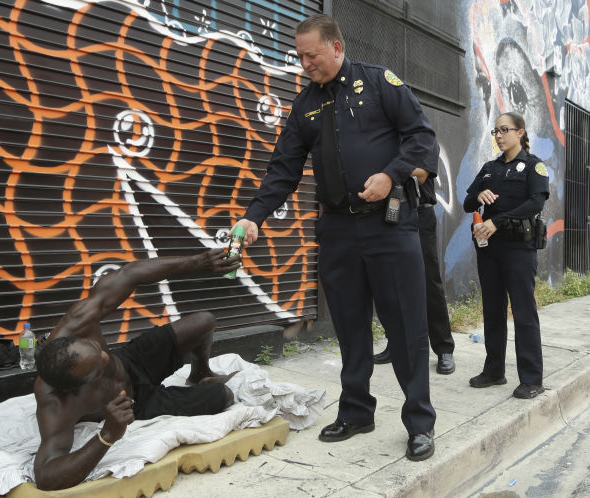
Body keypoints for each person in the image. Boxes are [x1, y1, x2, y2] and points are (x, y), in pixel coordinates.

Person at [233, 14, 436, 461]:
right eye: (300, 56)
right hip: (339, 229)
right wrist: (254, 218)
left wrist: (390, 174)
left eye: (312, 55)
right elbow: (282, 170)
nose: (305, 63)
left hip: (389, 223)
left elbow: (422, 139)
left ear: (337, 48)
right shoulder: (304, 105)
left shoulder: (379, 82)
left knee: (405, 326)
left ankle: (419, 422)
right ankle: (357, 410)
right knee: (349, 325)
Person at [32, 248, 240, 490]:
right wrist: (107, 434)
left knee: (205, 321)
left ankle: (200, 373)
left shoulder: (79, 320)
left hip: (131, 360)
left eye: (95, 347)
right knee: (222, 395)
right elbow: (46, 476)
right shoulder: (56, 402)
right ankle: (198, 389)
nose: (104, 357)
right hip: (133, 403)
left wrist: (197, 261)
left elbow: (129, 274)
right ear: (73, 388)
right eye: (98, 368)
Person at [463, 111, 549, 399]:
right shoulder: (489, 168)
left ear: (520, 133)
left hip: (519, 249)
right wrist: (479, 196)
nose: (498, 136)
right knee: (492, 310)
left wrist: (496, 221)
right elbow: (466, 202)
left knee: (524, 312)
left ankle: (532, 379)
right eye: (495, 131)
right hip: (490, 249)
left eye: (504, 130)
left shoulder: (533, 167)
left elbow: (536, 202)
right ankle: (494, 370)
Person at [374, 140, 456, 374]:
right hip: (388, 214)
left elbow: (422, 174)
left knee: (429, 283)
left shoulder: (424, 137)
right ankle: (395, 344)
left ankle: (443, 349)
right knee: (389, 283)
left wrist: (389, 167)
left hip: (419, 214)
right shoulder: (385, 136)